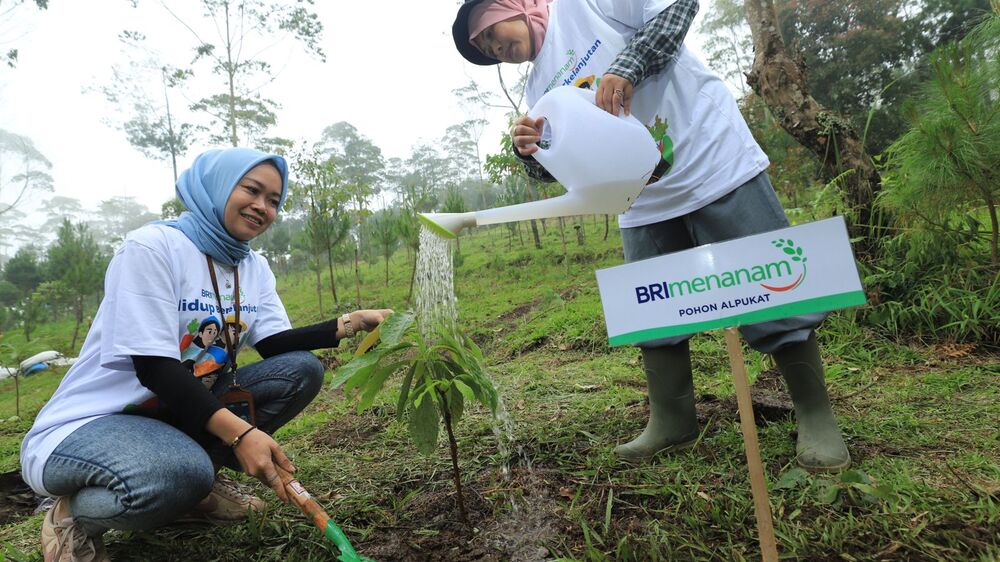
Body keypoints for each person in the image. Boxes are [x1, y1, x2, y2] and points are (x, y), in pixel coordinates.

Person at [452, 0, 851, 471]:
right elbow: (560, 162)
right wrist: (531, 152)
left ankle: (815, 412)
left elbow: (678, 6)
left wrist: (628, 67)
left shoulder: (585, 6)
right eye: (488, 51)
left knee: (771, 282)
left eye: (490, 33)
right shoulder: (540, 87)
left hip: (710, 160)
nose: (497, 48)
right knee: (654, 308)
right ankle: (672, 419)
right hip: (641, 200)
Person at [20, 147, 393, 562]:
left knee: (300, 371)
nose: (262, 207)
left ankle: (194, 491)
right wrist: (242, 433)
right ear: (216, 187)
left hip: (172, 417)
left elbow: (272, 344)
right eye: (251, 190)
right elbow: (154, 367)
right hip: (93, 423)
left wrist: (348, 323)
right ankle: (73, 516)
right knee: (180, 473)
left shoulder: (251, 266)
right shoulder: (153, 247)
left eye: (274, 200)